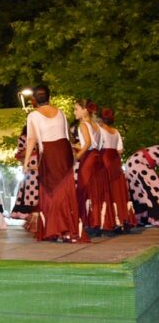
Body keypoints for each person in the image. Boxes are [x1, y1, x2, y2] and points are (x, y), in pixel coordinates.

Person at [24, 86, 85, 242]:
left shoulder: (33, 115)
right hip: (63, 150)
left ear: (35, 100)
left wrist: (25, 162)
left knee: (50, 190)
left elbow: (32, 139)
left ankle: (54, 229)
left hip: (50, 151)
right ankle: (68, 229)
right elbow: (67, 135)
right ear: (49, 97)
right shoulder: (61, 112)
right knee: (65, 189)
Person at [74, 100, 116, 235]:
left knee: (85, 189)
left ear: (85, 110)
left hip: (89, 159)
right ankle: (100, 222)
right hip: (97, 157)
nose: (74, 112)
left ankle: (90, 223)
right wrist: (77, 146)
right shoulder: (97, 125)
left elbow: (87, 143)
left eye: (76, 109)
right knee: (98, 190)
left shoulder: (83, 124)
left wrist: (77, 155)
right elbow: (96, 144)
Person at [97, 108, 136, 232]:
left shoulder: (100, 130)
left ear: (100, 119)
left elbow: (97, 147)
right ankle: (122, 219)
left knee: (106, 191)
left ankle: (109, 221)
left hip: (105, 161)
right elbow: (120, 149)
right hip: (115, 161)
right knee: (117, 191)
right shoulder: (116, 131)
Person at [10, 126, 40, 224]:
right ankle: (29, 216)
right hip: (30, 169)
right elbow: (19, 154)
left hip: (42, 168)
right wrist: (32, 149)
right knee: (29, 190)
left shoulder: (42, 136)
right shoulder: (23, 138)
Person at [125, 145, 159, 227]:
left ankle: (141, 218)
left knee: (138, 193)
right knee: (154, 189)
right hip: (138, 163)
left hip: (131, 163)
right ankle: (155, 218)